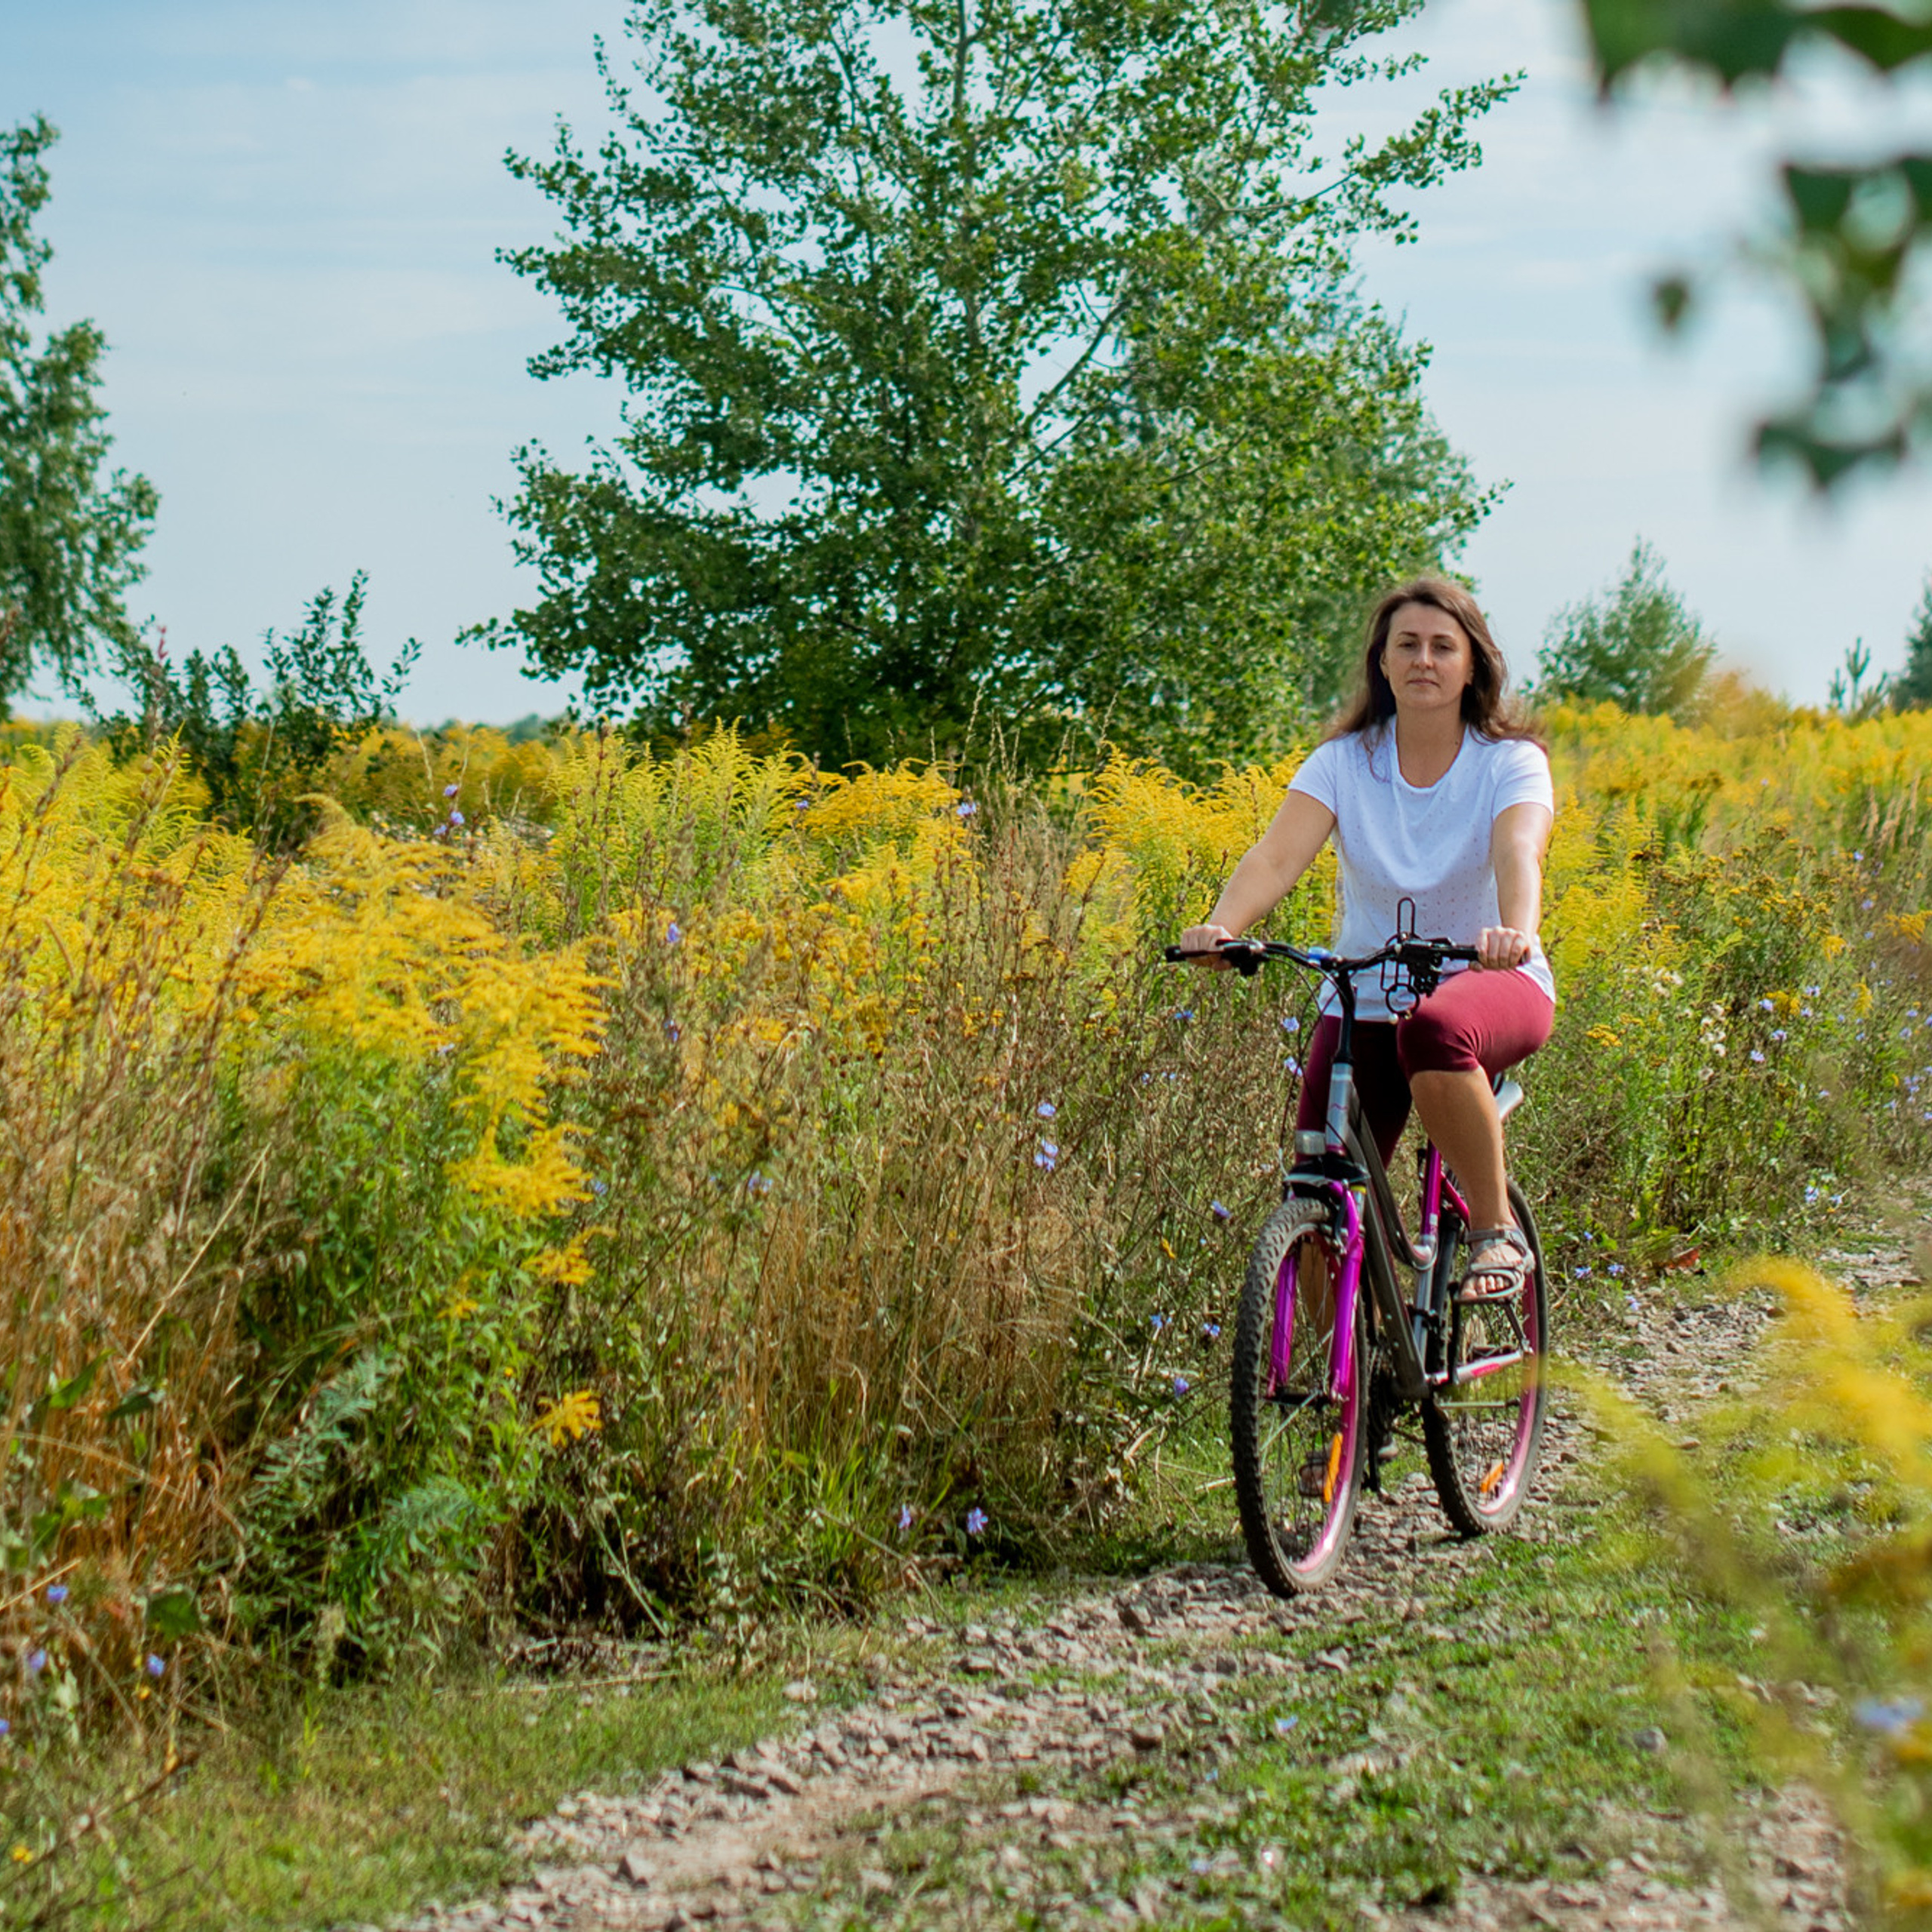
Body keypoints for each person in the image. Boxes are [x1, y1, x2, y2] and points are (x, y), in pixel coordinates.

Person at [1177, 577, 1554, 1302]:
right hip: (1365, 995)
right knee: (1319, 1191)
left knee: (1434, 1031)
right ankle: (1338, 1394)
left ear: (1472, 663)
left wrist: (1516, 933)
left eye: (1444, 647)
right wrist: (1224, 928)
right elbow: (1277, 857)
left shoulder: (1509, 762)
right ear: (1381, 662)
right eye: (1406, 645)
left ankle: (1494, 1231)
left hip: (1494, 982)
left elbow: (1519, 850)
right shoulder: (1345, 762)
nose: (1424, 660)